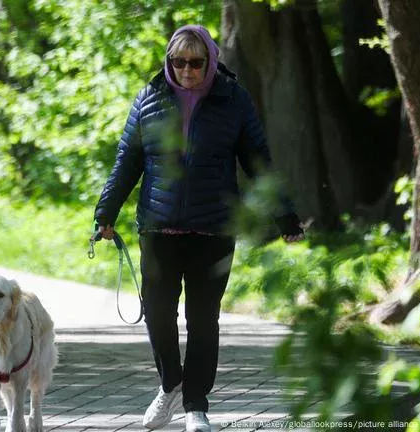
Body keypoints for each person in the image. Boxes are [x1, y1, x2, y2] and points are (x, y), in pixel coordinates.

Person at [93, 25, 303, 432]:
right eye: (178, 61)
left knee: (203, 319)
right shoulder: (149, 98)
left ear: (211, 62)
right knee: (157, 312)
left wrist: (286, 217)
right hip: (159, 226)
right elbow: (127, 160)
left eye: (195, 62)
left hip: (214, 229)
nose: (186, 70)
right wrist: (106, 212)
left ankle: (196, 407)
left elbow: (258, 161)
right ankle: (171, 384)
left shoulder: (234, 100)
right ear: (168, 62)